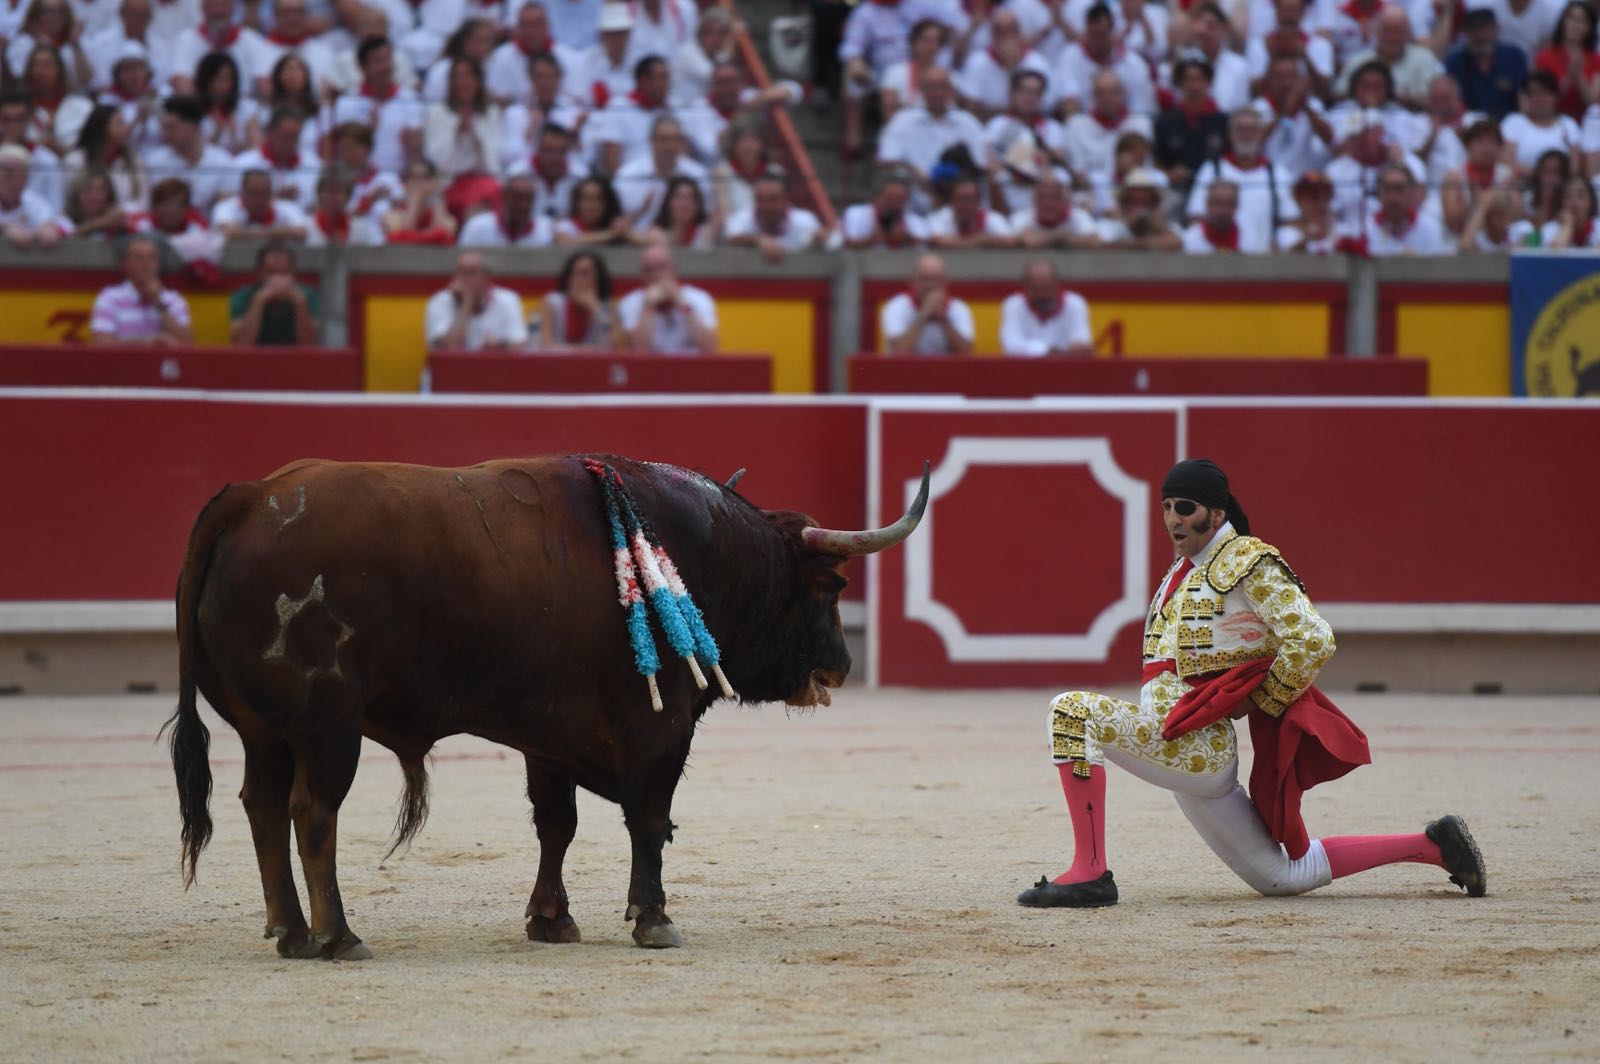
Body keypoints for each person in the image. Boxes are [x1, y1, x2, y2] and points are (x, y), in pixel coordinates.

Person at [1016, 458, 1488, 909]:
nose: (1172, 518)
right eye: (1166, 506)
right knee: (1282, 876)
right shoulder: (1190, 568)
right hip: (1178, 742)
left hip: (1192, 744)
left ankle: (1091, 871)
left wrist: (1265, 698)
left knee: (1071, 712)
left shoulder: (1244, 560)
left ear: (1216, 512)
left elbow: (1312, 638)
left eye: (1185, 507)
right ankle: (1435, 846)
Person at [616, 239, 719, 353]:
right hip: (651, 369)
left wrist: (682, 302)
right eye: (649, 270)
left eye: (662, 267)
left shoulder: (699, 298)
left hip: (691, 368)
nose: (656, 275)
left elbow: (710, 348)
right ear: (642, 275)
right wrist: (648, 307)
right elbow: (639, 351)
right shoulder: (630, 302)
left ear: (674, 268)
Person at [89, 232, 193, 344]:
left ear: (158, 264)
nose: (146, 264)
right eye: (138, 258)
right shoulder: (110, 297)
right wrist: (146, 343)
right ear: (125, 264)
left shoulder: (173, 299)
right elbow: (101, 344)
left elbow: (188, 344)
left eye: (152, 258)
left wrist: (159, 304)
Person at [425, 250, 531, 352]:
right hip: (449, 370)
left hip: (491, 368)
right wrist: (466, 304)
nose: (463, 279)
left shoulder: (508, 300)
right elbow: (449, 349)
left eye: (471, 273)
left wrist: (499, 345)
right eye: (460, 273)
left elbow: (520, 347)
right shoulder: (440, 301)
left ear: (486, 277)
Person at [878, 252, 974, 355]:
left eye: (936, 280)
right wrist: (924, 314)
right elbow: (899, 350)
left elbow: (966, 351)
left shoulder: (958, 308)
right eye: (925, 279)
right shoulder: (897, 306)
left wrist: (942, 318)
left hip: (945, 370)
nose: (930, 285)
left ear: (945, 282)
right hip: (905, 370)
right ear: (913, 280)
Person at [721, 170, 826, 260]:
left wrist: (820, 239)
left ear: (786, 199)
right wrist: (758, 240)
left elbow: (822, 240)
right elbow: (731, 238)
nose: (767, 206)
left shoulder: (805, 220)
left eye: (773, 199)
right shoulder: (740, 218)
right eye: (761, 200)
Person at [229, 240, 320, 345]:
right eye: (271, 273)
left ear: (293, 273)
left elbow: (309, 345)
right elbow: (242, 345)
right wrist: (258, 302)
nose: (278, 279)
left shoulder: (308, 296)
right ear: (259, 273)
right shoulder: (243, 296)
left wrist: (300, 304)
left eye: (284, 272)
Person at [998, 258, 1091, 356]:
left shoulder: (1075, 303)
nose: (1041, 292)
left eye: (1046, 286)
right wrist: (1053, 351)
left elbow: (1081, 345)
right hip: (1025, 368)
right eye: (1035, 287)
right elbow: (1012, 346)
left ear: (1056, 282)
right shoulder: (1014, 305)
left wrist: (1040, 350)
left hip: (1065, 368)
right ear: (1025, 285)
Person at [536, 250, 624, 350]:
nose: (577, 280)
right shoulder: (552, 303)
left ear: (598, 278)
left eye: (584, 274)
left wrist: (596, 308)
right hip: (557, 364)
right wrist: (589, 350)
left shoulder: (607, 306)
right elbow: (546, 346)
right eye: (574, 274)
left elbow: (617, 345)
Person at [0, 143, 69, 246]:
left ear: (27, 178)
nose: (15, 182)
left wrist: (48, 230)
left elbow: (58, 227)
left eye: (20, 175)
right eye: (8, 174)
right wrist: (5, 229)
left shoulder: (35, 203)